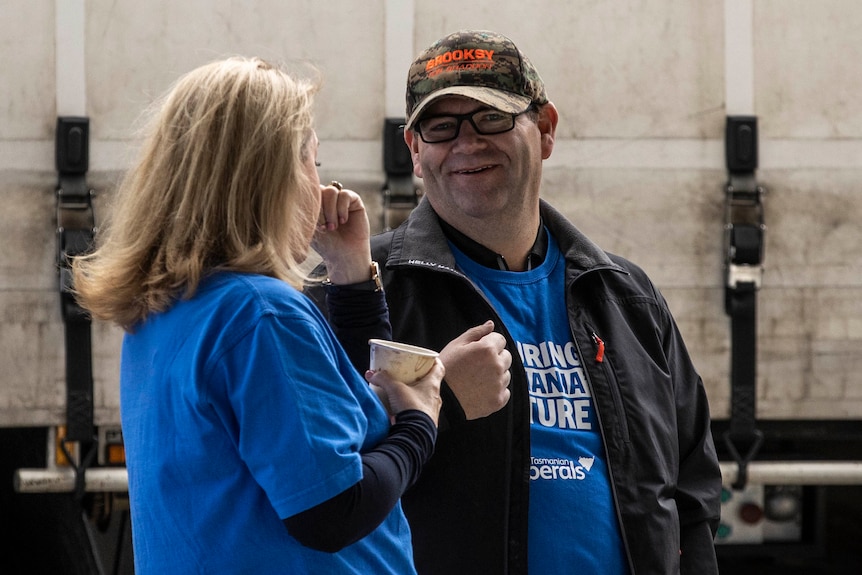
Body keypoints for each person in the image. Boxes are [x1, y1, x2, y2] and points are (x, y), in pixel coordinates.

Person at [70, 56, 443, 574]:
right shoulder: (261, 313)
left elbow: (338, 418)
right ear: (270, 176)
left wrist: (350, 272)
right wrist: (420, 425)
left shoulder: (166, 309)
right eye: (312, 161)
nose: (319, 183)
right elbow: (332, 511)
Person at [369, 30, 722, 574]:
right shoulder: (366, 296)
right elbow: (324, 482)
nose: (467, 143)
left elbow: (693, 489)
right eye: (441, 127)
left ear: (547, 129)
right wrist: (439, 398)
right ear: (415, 151)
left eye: (492, 117)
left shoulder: (625, 297)